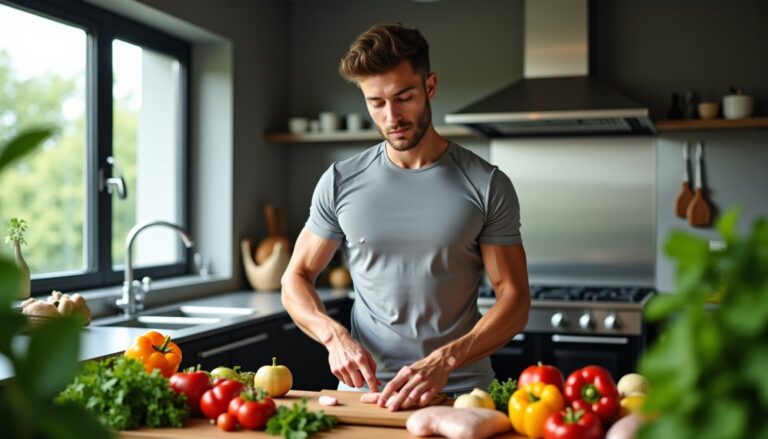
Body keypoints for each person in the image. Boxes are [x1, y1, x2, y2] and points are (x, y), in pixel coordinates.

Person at [280, 23, 530, 411]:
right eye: (376, 103)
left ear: (429, 87)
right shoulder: (340, 181)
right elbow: (295, 277)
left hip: (460, 393)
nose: (391, 116)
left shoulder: (486, 183)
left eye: (404, 97)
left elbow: (513, 299)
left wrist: (444, 361)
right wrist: (334, 338)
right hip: (368, 394)